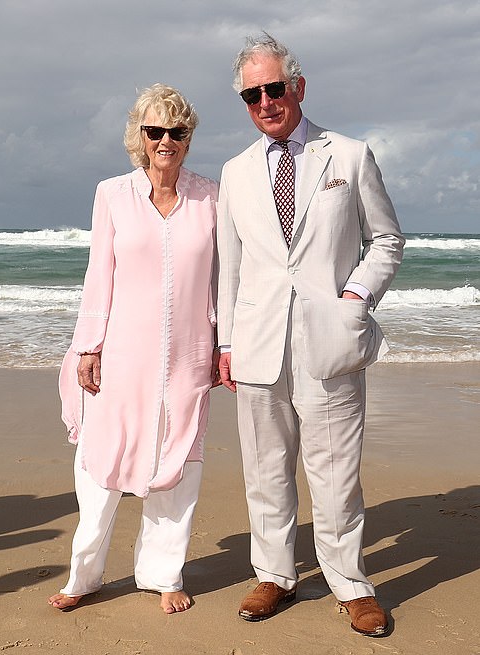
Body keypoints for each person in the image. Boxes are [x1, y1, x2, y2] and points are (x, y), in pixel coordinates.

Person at [217, 33, 405, 636]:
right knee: (266, 469)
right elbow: (230, 265)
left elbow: (387, 240)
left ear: (298, 86)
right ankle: (275, 574)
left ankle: (349, 582)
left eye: (274, 88)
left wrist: (356, 295)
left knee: (335, 471)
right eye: (252, 94)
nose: (265, 102)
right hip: (257, 343)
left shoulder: (348, 155)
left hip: (330, 339)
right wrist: (223, 342)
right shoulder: (235, 172)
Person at [49, 84, 219, 615]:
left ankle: (162, 573)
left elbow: (224, 279)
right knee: (102, 464)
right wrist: (89, 346)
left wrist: (225, 344)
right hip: (121, 353)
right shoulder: (112, 194)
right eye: (155, 131)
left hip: (188, 355)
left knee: (178, 462)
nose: (165, 140)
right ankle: (85, 575)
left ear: (188, 139)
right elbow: (99, 273)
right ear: (139, 138)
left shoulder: (211, 198)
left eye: (177, 131)